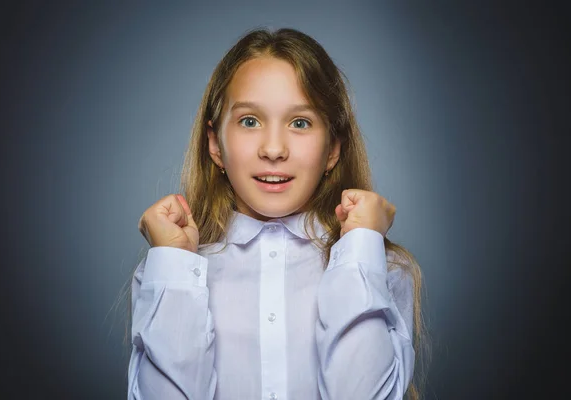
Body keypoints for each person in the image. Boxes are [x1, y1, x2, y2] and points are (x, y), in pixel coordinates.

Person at [127, 27, 428, 400]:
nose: (273, 149)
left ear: (333, 148)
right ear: (215, 145)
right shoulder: (173, 270)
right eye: (249, 121)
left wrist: (361, 247)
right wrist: (172, 263)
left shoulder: (378, 265)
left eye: (300, 122)